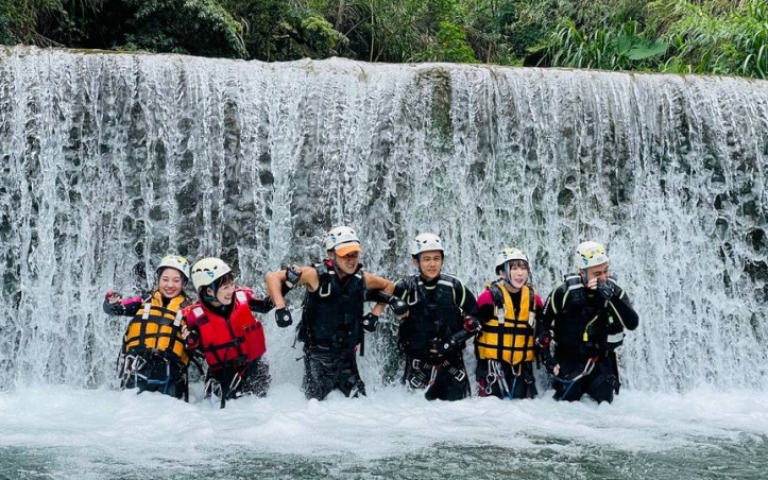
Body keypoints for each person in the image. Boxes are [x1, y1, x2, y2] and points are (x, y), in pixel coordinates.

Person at [265, 226, 407, 400]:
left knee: (359, 405)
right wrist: (280, 307)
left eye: (354, 255)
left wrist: (375, 314)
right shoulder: (314, 275)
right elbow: (272, 277)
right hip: (318, 358)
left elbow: (388, 286)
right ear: (331, 254)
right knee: (314, 408)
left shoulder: (362, 278)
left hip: (347, 358)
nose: (351, 260)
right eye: (345, 255)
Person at [537, 241, 639, 404]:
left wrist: (611, 297)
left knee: (605, 404)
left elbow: (632, 323)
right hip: (569, 361)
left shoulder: (615, 292)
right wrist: (548, 361)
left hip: (600, 362)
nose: (603, 278)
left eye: (606, 271)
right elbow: (542, 326)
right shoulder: (562, 293)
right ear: (582, 273)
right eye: (597, 274)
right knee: (566, 403)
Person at [393, 233, 480, 401]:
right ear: (415, 262)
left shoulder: (454, 286)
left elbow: (476, 319)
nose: (432, 264)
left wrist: (453, 340)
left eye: (436, 258)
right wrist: (392, 303)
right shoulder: (405, 286)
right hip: (418, 365)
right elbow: (379, 293)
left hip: (451, 365)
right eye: (426, 259)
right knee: (412, 414)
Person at [181, 257, 274, 408]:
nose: (231, 290)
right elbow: (190, 344)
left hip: (254, 369)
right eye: (225, 287)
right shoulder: (193, 317)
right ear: (209, 291)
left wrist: (288, 283)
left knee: (261, 406)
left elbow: (266, 306)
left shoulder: (242, 298)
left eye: (232, 284)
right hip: (222, 375)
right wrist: (191, 339)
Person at [104, 255, 193, 400]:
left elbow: (200, 342)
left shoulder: (190, 310)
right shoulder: (143, 301)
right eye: (165, 279)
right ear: (157, 279)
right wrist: (111, 303)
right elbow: (114, 309)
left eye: (176, 281)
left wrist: (191, 339)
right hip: (138, 368)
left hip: (170, 374)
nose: (170, 285)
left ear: (184, 283)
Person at [474, 248, 544, 399]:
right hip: (492, 369)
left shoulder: (534, 300)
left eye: (523, 267)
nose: (520, 273)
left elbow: (543, 328)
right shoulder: (487, 298)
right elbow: (472, 324)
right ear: (502, 272)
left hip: (521, 369)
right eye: (514, 267)